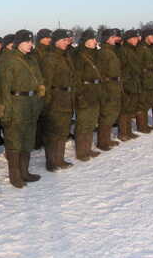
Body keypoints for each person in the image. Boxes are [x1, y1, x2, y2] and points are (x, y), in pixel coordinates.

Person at [0, 30, 44, 187]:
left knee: (27, 141)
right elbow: (4, 89)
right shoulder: (9, 60)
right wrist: (6, 113)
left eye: (32, 42)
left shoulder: (31, 59)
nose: (31, 45)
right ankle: (15, 176)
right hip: (15, 104)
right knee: (14, 142)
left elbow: (39, 79)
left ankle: (25, 172)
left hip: (31, 104)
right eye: (27, 42)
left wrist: (39, 96)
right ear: (18, 43)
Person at [40, 29, 77, 171]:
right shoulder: (50, 58)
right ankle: (51, 162)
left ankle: (59, 159)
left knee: (63, 131)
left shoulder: (65, 56)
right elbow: (46, 83)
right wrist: (47, 103)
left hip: (67, 98)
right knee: (53, 132)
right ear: (55, 41)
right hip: (55, 100)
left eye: (67, 40)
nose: (66, 43)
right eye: (63, 40)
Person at [73, 29, 102, 160]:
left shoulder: (95, 54)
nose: (95, 42)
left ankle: (88, 149)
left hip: (95, 91)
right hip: (85, 91)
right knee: (83, 123)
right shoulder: (79, 56)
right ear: (86, 42)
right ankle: (81, 152)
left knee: (91, 123)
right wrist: (79, 95)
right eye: (93, 39)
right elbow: (76, 78)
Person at [96, 29, 122, 151]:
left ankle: (107, 139)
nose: (115, 39)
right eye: (112, 37)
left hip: (115, 84)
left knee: (112, 113)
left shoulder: (111, 51)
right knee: (107, 114)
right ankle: (102, 142)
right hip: (108, 86)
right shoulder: (103, 52)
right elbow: (100, 72)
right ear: (106, 39)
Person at [117, 29, 141, 141]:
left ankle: (129, 131)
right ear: (129, 39)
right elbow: (121, 68)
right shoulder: (124, 50)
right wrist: (124, 82)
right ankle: (123, 133)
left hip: (134, 81)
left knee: (130, 108)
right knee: (124, 109)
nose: (137, 39)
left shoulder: (133, 50)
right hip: (127, 82)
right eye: (135, 38)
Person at [136, 29, 153, 132]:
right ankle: (141, 126)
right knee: (142, 103)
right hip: (144, 78)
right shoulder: (141, 48)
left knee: (149, 101)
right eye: (152, 36)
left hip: (151, 77)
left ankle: (144, 124)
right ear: (147, 36)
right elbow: (138, 65)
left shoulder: (151, 47)